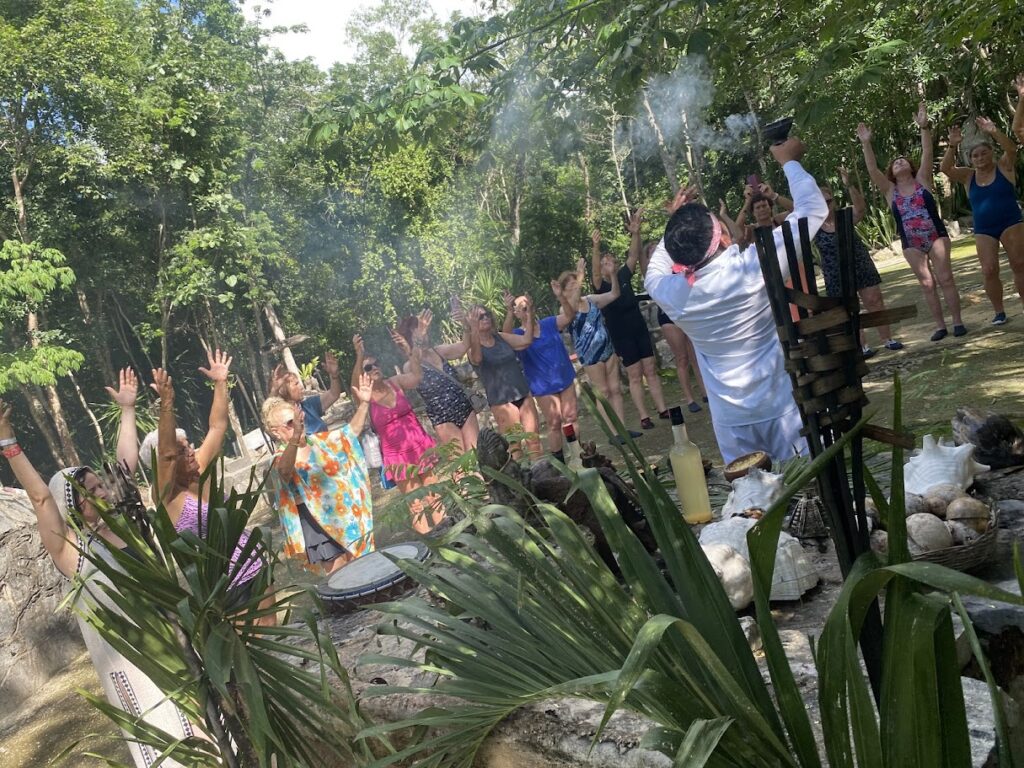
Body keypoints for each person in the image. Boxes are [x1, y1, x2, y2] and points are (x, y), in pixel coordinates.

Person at [0, 375, 194, 768]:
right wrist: (8, 442)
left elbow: (124, 464)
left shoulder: (132, 527)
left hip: (177, 644)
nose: (102, 492)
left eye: (99, 485)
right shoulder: (74, 553)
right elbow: (40, 498)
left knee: (208, 731)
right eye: (88, 492)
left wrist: (127, 410)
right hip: (135, 667)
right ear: (72, 507)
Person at [645, 137, 828, 464]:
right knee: (806, 493)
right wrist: (789, 162)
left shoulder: (672, 293)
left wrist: (675, 220)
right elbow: (813, 209)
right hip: (780, 406)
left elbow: (655, 269)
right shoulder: (754, 266)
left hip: (730, 421)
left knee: (754, 505)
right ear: (720, 236)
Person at [144, 350, 265, 601]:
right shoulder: (166, 496)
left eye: (188, 443)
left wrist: (221, 383)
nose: (189, 450)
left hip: (252, 559)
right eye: (181, 450)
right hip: (225, 581)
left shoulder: (200, 465)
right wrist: (167, 404)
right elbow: (166, 454)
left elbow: (218, 426)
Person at [857, 103, 966, 341]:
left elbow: (927, 152)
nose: (899, 162)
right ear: (892, 172)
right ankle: (940, 326)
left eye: (902, 160)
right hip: (911, 243)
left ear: (910, 166)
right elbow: (872, 168)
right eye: (895, 162)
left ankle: (957, 322)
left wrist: (924, 126)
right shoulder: (889, 190)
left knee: (946, 278)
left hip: (935, 236)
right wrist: (866, 143)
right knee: (927, 284)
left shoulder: (922, 179)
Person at [262, 373, 375, 573]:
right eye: (290, 423)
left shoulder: (319, 442)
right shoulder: (280, 457)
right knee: (340, 575)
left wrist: (365, 403)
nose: (297, 424)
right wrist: (296, 436)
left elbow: (350, 433)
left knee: (362, 565)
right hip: (315, 522)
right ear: (275, 432)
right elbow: (284, 472)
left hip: (341, 514)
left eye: (297, 419)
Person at [353, 332, 445, 533]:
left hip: (419, 444)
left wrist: (408, 351)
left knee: (434, 493)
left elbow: (417, 377)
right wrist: (359, 356)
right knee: (416, 503)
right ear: (363, 374)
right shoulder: (365, 398)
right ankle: (431, 546)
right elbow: (354, 386)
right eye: (368, 367)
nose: (375, 368)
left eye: (376, 364)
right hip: (397, 455)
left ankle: (450, 534)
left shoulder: (395, 382)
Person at [940, 116, 1024, 323]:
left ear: (991, 153)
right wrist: (952, 145)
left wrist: (993, 131)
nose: (980, 158)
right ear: (970, 159)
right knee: (988, 270)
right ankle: (999, 312)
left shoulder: (1003, 166)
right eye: (975, 155)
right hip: (984, 228)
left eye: (984, 153)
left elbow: (1012, 149)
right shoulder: (969, 176)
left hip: (1011, 222)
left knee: (1020, 264)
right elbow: (945, 169)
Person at [591, 209, 669, 431]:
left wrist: (636, 233)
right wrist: (596, 248)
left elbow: (634, 256)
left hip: (639, 329)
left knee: (651, 368)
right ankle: (644, 416)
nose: (609, 264)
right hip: (622, 336)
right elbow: (596, 274)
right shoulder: (602, 286)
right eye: (605, 262)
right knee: (635, 375)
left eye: (610, 260)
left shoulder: (624, 275)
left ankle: (662, 408)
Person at [815, 168, 904, 357]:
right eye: (820, 202)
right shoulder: (812, 225)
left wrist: (849, 184)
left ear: (833, 200)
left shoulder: (845, 217)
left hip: (859, 264)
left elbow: (861, 208)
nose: (825, 205)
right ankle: (861, 346)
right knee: (847, 309)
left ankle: (888, 339)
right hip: (835, 273)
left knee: (875, 301)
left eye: (828, 201)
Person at [555, 258, 642, 441]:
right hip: (590, 355)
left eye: (575, 283)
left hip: (607, 349)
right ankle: (613, 433)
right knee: (603, 391)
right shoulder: (566, 311)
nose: (575, 287)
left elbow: (614, 294)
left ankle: (622, 430)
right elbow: (570, 311)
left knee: (616, 389)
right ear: (563, 291)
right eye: (570, 285)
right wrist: (579, 277)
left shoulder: (591, 300)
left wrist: (612, 275)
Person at [502, 288, 578, 458]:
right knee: (554, 423)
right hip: (543, 386)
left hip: (564, 377)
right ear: (516, 313)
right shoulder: (519, 334)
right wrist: (508, 311)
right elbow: (504, 337)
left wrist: (561, 297)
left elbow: (568, 316)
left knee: (571, 417)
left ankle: (578, 455)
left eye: (527, 305)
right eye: (521, 308)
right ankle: (560, 464)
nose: (526, 309)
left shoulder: (549, 323)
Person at [465, 302, 544, 459]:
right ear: (473, 322)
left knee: (534, 441)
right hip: (502, 403)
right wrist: (473, 330)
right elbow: (477, 358)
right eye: (480, 317)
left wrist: (529, 315)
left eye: (487, 314)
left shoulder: (500, 337)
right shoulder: (472, 348)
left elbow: (526, 341)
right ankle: (523, 482)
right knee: (515, 447)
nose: (485, 318)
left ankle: (543, 476)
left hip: (523, 394)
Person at [395, 308, 479, 453]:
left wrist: (465, 323)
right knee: (462, 464)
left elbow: (464, 347)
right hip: (443, 419)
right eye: (419, 332)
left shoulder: (439, 351)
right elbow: (415, 374)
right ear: (410, 339)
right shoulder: (410, 366)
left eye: (424, 331)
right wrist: (418, 340)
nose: (424, 334)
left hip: (465, 408)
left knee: (477, 454)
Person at [640, 239, 707, 413]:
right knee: (682, 358)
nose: (658, 254)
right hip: (668, 317)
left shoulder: (678, 265)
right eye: (652, 252)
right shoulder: (653, 276)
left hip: (685, 312)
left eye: (659, 250)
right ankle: (689, 398)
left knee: (695, 354)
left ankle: (705, 391)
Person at [269, 350, 343, 434]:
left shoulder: (308, 405)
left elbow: (334, 394)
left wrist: (334, 376)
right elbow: (269, 415)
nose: (301, 387)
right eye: (296, 384)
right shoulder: (282, 418)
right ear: (282, 390)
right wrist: (274, 390)